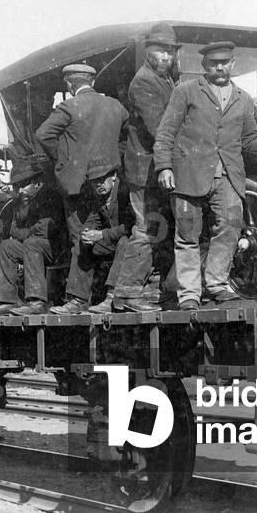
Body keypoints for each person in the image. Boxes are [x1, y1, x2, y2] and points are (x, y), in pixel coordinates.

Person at [153, 41, 257, 310]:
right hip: (188, 176)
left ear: (233, 65)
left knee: (232, 225)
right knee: (187, 234)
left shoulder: (244, 99)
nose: (220, 67)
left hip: (228, 177)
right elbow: (166, 131)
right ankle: (189, 293)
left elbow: (249, 139)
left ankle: (217, 283)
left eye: (225, 62)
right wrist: (164, 166)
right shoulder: (186, 91)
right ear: (204, 66)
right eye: (214, 63)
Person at [36, 63, 129, 313]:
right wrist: (113, 159)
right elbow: (127, 137)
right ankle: (110, 295)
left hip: (78, 185)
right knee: (118, 235)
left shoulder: (68, 107)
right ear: (93, 81)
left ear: (69, 84)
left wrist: (65, 161)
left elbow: (43, 135)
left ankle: (77, 300)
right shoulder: (115, 106)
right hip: (108, 180)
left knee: (82, 238)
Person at [109, 23, 180, 313]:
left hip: (153, 169)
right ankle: (125, 294)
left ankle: (146, 289)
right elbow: (159, 127)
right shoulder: (144, 82)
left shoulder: (165, 80)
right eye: (160, 50)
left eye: (170, 52)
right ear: (148, 51)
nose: (166, 56)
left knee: (157, 229)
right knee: (146, 230)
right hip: (145, 171)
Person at [0, 159, 65, 316]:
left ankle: (37, 302)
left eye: (23, 185)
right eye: (16, 187)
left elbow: (45, 230)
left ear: (37, 183)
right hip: (31, 247)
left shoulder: (50, 196)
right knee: (6, 246)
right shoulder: (21, 202)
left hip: (55, 249)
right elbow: (14, 230)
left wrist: (26, 233)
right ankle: (7, 301)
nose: (19, 191)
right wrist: (28, 232)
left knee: (32, 244)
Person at [49, 165, 131, 314]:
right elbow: (93, 218)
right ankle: (78, 300)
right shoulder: (100, 195)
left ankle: (111, 298)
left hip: (132, 244)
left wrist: (102, 234)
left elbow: (130, 227)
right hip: (112, 240)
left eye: (101, 180)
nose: (98, 185)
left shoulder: (124, 191)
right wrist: (87, 233)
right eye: (94, 182)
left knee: (125, 241)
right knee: (81, 244)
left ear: (113, 176)